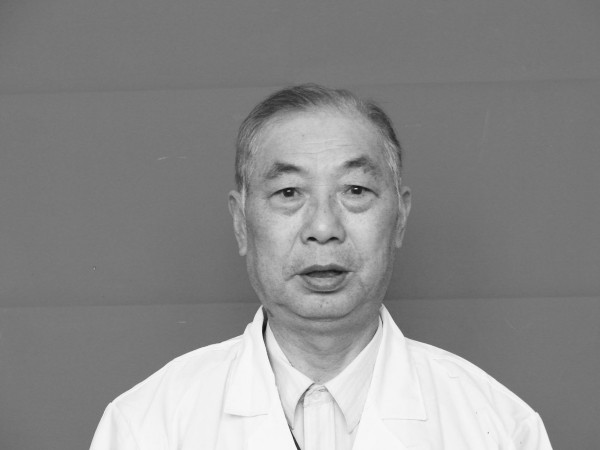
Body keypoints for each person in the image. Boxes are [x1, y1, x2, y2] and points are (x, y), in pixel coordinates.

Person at [90, 84, 552, 449]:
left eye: (355, 190)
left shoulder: (499, 428)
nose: (324, 227)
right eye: (289, 193)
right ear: (241, 223)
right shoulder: (146, 426)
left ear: (399, 218)